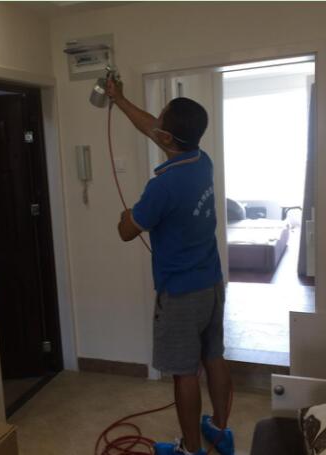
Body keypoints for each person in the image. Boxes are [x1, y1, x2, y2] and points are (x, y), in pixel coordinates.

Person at [106, 78, 234, 455]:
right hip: (212, 283)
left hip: (180, 295)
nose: (155, 121)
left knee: (184, 373)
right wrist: (120, 99)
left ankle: (190, 450)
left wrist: (127, 215)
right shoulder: (201, 160)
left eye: (160, 119)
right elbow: (151, 126)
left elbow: (127, 232)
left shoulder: (162, 186)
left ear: (166, 137)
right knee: (214, 356)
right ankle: (220, 431)